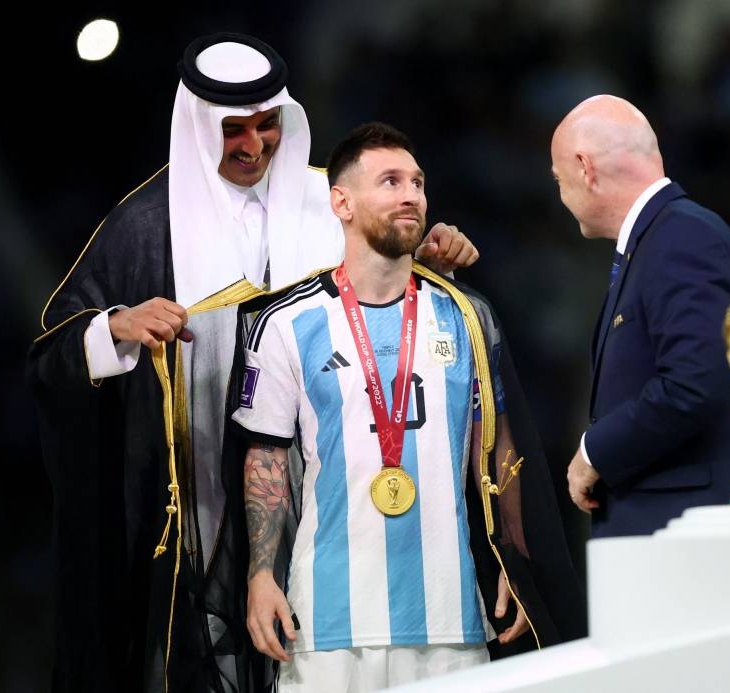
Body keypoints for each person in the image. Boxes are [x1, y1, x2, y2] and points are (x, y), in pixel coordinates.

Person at [26, 33, 478, 693]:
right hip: (201, 508)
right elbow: (49, 358)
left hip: (336, 513)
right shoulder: (145, 228)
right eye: (234, 129)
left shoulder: (334, 205)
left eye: (269, 125)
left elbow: (391, 279)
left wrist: (424, 256)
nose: (254, 144)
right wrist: (113, 330)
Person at [228, 122, 586, 691]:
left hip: (448, 617)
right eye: (390, 181)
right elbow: (266, 457)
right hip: (324, 617)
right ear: (340, 202)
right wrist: (259, 575)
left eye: (417, 182)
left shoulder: (466, 315)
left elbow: (494, 448)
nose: (410, 195)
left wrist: (514, 562)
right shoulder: (285, 323)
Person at [550, 95, 730, 538]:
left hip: (685, 542)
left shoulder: (681, 237)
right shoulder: (658, 241)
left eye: (558, 177)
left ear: (585, 167)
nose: (561, 193)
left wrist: (594, 451)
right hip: (668, 540)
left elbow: (694, 382)